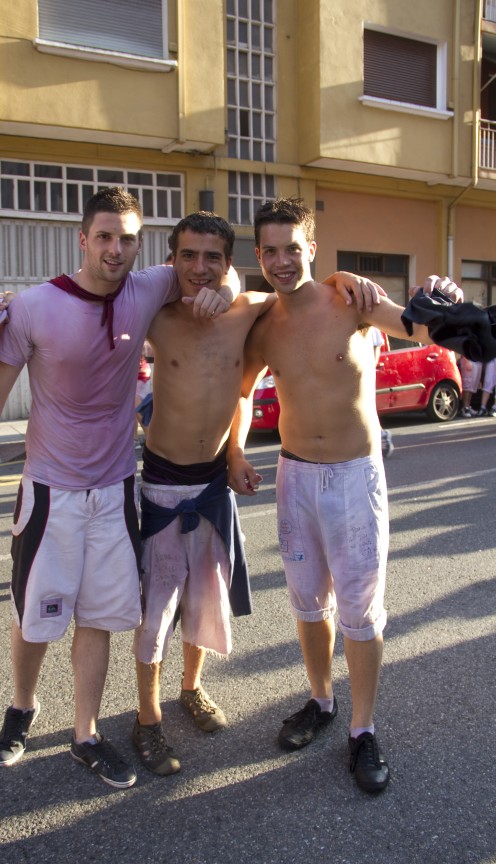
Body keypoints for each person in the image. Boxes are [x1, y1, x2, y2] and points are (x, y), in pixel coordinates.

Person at [0, 187, 238, 790]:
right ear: (83, 239)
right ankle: (22, 707)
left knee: (100, 617)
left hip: (116, 491)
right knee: (34, 615)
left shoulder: (148, 287)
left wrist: (228, 290)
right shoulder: (34, 306)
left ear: (139, 245)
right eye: (104, 236)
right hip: (50, 491)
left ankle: (85, 734)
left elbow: (212, 271)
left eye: (127, 239)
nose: (115, 249)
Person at [130, 212, 387, 777]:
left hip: (220, 481)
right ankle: (147, 719)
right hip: (164, 480)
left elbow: (299, 297)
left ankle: (193, 689)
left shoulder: (249, 309)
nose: (200, 268)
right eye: (188, 256)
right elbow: (101, 301)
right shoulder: (156, 315)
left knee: (205, 599)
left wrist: (343, 277)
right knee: (157, 609)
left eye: (213, 258)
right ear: (172, 260)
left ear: (230, 264)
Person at [227, 198, 463, 794]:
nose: (282, 261)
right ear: (259, 256)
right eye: (270, 251)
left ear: (311, 247)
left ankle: (363, 729)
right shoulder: (263, 325)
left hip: (355, 478)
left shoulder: (352, 301)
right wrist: (235, 452)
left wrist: (445, 304)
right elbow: (243, 393)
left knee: (360, 609)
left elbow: (415, 324)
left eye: (292, 248)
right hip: (294, 478)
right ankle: (322, 701)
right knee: (308, 603)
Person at [369, 328, 394, 458]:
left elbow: (377, 346)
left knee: (367, 409)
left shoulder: (370, 327)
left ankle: (381, 435)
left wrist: (370, 368)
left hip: (363, 376)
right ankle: (381, 435)